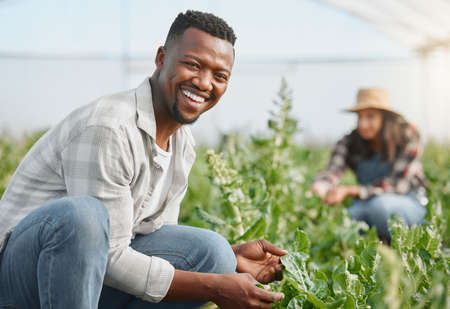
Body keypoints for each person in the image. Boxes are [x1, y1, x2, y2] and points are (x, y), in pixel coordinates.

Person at [0, 10, 286, 309]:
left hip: (87, 277)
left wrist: (232, 259)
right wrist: (214, 287)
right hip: (20, 278)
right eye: (192, 64)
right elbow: (106, 254)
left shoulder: (182, 144)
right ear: (161, 58)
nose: (204, 82)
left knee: (213, 254)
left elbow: (146, 240)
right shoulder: (109, 127)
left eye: (219, 76)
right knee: (84, 216)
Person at [310, 88, 427, 243]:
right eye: (359, 117)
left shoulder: (407, 136)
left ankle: (408, 246)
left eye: (370, 117)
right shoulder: (350, 141)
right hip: (367, 202)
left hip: (406, 200)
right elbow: (334, 170)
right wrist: (321, 185)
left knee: (381, 208)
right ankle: (379, 246)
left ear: (385, 118)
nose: (362, 124)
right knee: (344, 222)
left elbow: (398, 185)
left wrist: (351, 190)